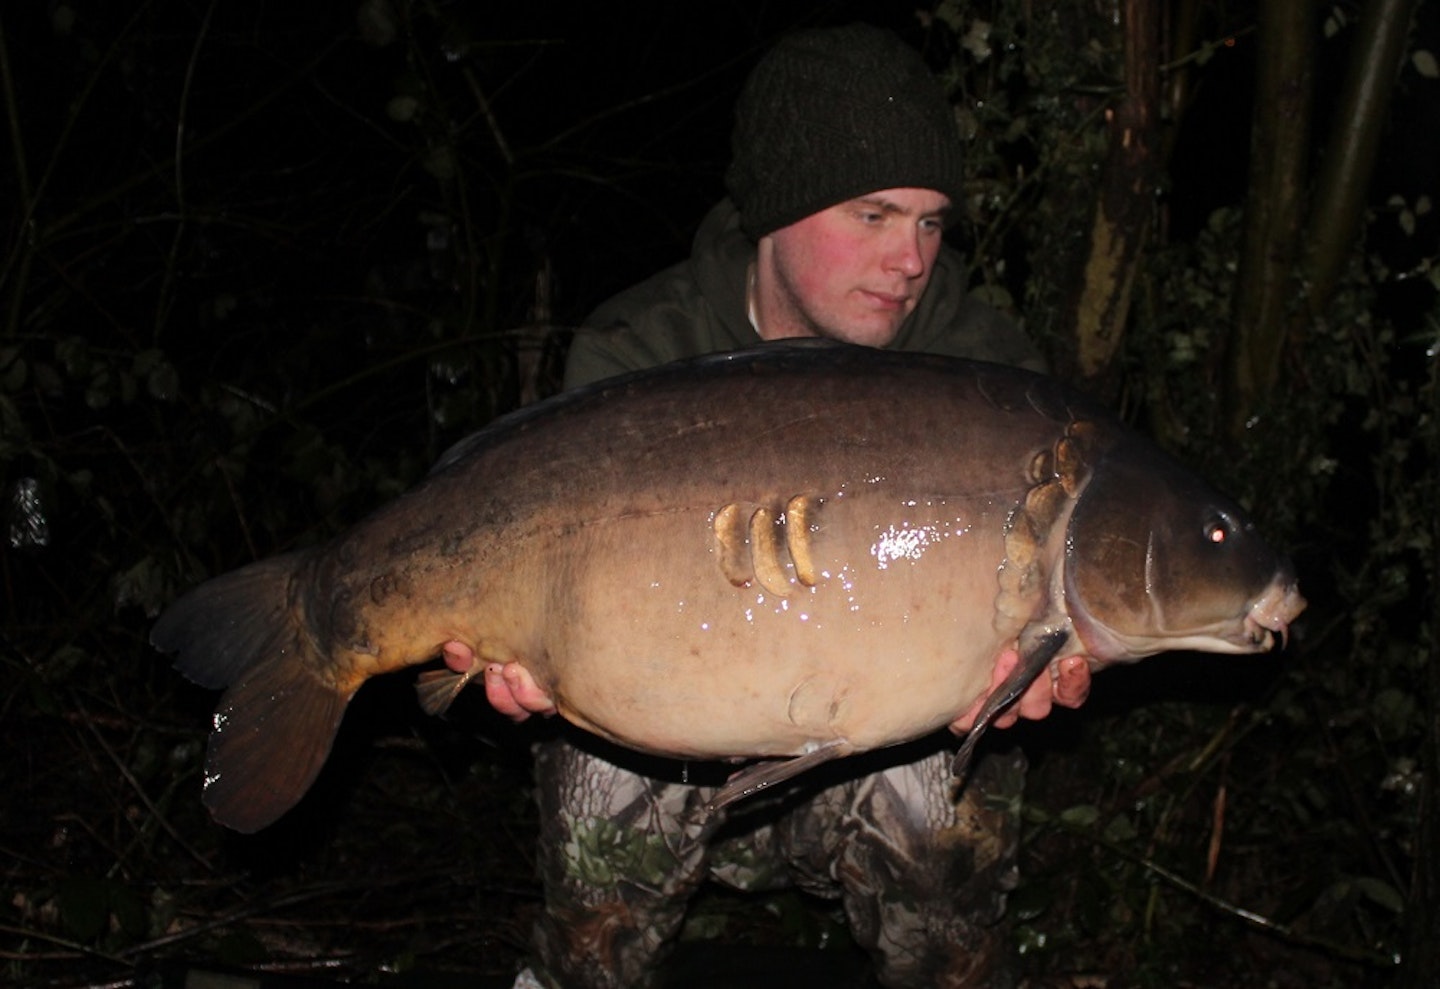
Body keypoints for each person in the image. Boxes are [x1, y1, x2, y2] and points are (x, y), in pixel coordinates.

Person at [465, 23, 1092, 989]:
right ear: (774, 209)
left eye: (931, 223)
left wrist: (1043, 663)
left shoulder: (989, 378)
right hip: (667, 738)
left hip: (884, 739)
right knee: (600, 791)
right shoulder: (640, 351)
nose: (913, 259)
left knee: (949, 818)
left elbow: (1044, 606)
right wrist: (525, 652)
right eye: (876, 215)